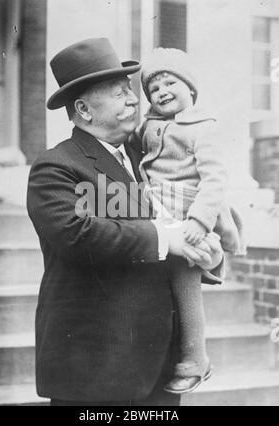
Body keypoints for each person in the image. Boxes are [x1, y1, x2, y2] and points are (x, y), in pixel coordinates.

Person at [27, 38, 224, 406]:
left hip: (161, 367)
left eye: (132, 91)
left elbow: (189, 212)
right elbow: (77, 235)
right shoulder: (57, 166)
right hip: (96, 371)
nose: (136, 100)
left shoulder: (149, 154)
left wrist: (208, 254)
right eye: (120, 94)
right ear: (84, 109)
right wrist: (167, 239)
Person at [136, 47, 245, 394]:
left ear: (190, 89)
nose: (163, 91)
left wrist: (199, 221)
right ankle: (161, 357)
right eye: (154, 88)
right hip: (154, 212)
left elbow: (215, 180)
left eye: (171, 82)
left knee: (186, 288)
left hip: (186, 214)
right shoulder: (148, 126)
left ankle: (196, 359)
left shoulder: (202, 127)